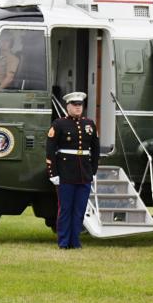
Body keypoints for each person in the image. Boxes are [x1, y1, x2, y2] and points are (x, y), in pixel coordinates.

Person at [45, 91, 100, 249]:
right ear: (68, 106)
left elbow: (95, 150)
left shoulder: (89, 124)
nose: (78, 108)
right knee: (65, 210)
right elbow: (50, 150)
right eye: (74, 105)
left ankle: (75, 242)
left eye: (80, 105)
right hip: (65, 174)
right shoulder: (59, 124)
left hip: (84, 174)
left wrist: (93, 171)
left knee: (79, 210)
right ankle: (63, 242)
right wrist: (53, 173)